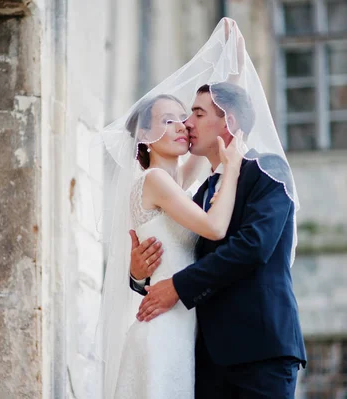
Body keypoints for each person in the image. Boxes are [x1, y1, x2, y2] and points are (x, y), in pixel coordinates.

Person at [98, 18, 306, 399]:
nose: (186, 124)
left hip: (259, 350)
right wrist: (137, 274)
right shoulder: (203, 189)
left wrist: (176, 287)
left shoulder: (267, 170)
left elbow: (252, 246)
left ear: (229, 122)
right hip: (204, 358)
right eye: (179, 117)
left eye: (195, 114)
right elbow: (178, 244)